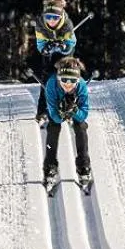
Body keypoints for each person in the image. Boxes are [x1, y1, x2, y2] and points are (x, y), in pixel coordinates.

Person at [42, 55, 91, 192]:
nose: (68, 85)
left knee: (81, 127)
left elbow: (83, 114)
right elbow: (54, 116)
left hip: (74, 111)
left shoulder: (81, 86)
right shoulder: (51, 85)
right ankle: (50, 166)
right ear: (58, 79)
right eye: (64, 80)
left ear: (77, 80)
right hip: (57, 111)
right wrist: (61, 113)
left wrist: (74, 110)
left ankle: (83, 166)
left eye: (72, 81)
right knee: (53, 127)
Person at [30, 0, 76, 125]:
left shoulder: (67, 25)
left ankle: (69, 106)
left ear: (60, 16)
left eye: (54, 17)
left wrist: (63, 46)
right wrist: (46, 48)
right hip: (49, 53)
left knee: (68, 75)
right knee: (47, 77)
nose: (51, 21)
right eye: (48, 17)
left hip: (65, 53)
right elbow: (40, 44)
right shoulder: (40, 25)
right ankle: (43, 111)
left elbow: (71, 43)